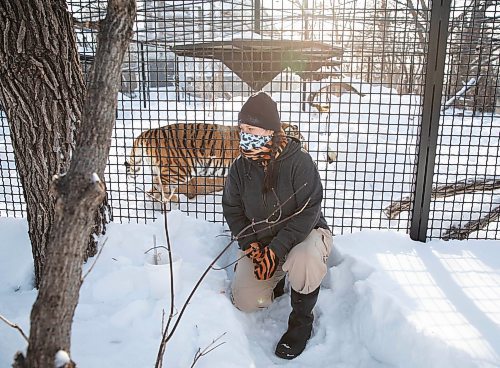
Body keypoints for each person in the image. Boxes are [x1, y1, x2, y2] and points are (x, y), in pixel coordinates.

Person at [222, 92, 333, 360]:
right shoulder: (239, 168)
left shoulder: (299, 162)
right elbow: (233, 211)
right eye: (241, 129)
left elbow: (308, 211)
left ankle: (301, 322)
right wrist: (251, 246)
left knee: (303, 260)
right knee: (246, 302)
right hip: (261, 241)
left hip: (304, 236)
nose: (244, 135)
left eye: (250, 128)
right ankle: (278, 276)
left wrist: (276, 250)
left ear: (269, 130)